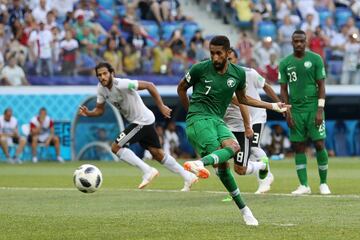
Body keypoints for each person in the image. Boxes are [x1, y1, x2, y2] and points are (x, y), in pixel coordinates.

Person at [177, 35, 288, 226]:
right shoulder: (199, 69)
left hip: (218, 121)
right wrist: (191, 113)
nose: (214, 58)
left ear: (228, 54)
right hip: (199, 120)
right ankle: (245, 210)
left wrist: (272, 106)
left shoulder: (238, 74)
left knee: (234, 150)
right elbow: (181, 89)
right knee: (224, 166)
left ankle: (200, 164)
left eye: (219, 53)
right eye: (212, 53)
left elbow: (243, 99)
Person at [78, 62, 198, 191]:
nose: (102, 77)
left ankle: (147, 170)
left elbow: (149, 85)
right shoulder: (101, 89)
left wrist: (161, 106)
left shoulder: (122, 84)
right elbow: (99, 110)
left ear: (112, 73)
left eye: (105, 73)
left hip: (142, 121)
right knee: (157, 154)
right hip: (143, 120)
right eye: (99, 75)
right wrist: (88, 113)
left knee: (116, 147)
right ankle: (188, 176)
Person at [223, 47, 281, 195]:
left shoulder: (249, 73)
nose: (228, 62)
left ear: (236, 59)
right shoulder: (221, 76)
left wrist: (278, 104)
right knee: (236, 156)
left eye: (231, 59)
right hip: (237, 120)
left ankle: (265, 178)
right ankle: (236, 188)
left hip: (256, 115)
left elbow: (266, 87)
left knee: (254, 145)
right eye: (226, 59)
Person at [279, 29, 331, 195]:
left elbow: (322, 85)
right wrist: (287, 112)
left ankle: (323, 183)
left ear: (306, 41)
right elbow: (283, 89)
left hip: (313, 108)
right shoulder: (285, 62)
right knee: (298, 146)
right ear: (292, 42)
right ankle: (304, 185)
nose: (299, 44)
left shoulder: (315, 59)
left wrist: (320, 109)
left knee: (319, 144)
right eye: (296, 41)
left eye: (302, 41)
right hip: (296, 110)